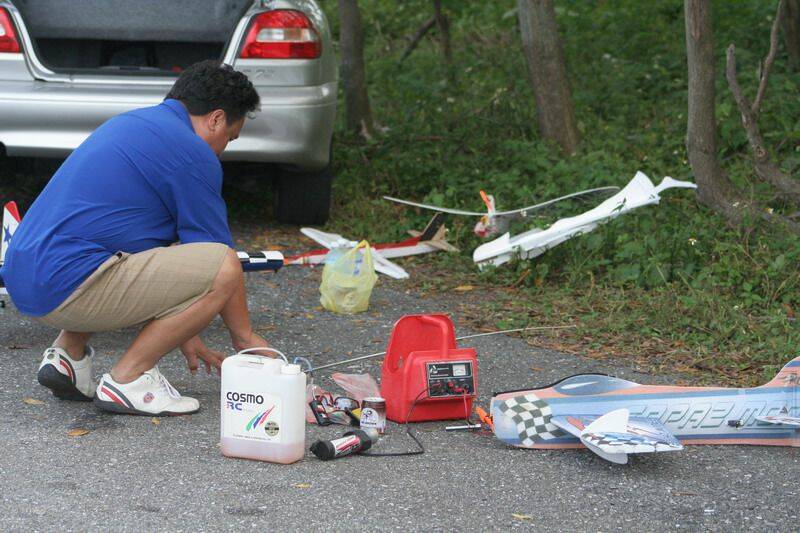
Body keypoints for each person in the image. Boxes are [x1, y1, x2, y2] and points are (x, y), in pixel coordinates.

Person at [1, 60, 270, 416]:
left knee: (140, 245)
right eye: (229, 138)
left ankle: (68, 356)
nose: (223, 149)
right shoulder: (192, 153)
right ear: (216, 118)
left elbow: (169, 260)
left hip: (25, 273)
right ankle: (128, 378)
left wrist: (185, 332)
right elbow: (218, 262)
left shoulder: (132, 124)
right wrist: (245, 340)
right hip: (66, 281)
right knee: (222, 265)